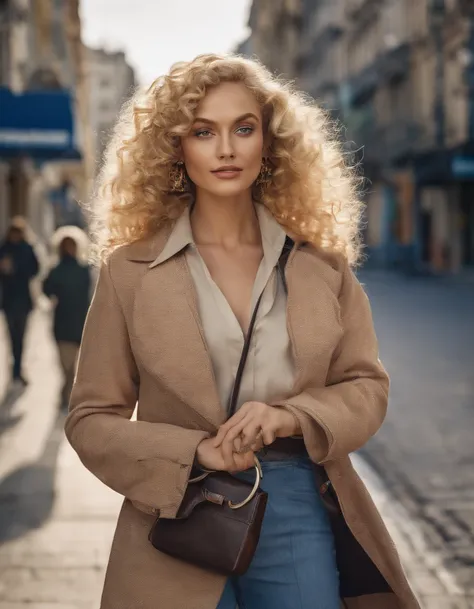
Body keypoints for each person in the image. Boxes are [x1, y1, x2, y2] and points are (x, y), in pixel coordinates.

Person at [65, 54, 420, 609]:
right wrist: (196, 452)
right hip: (173, 512)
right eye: (203, 132)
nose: (226, 149)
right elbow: (90, 420)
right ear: (176, 149)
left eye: (244, 128)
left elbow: (366, 388)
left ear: (269, 142)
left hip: (296, 502)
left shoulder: (319, 264)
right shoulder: (129, 271)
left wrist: (289, 415)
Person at [43, 236, 91, 409]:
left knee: (72, 366)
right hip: (69, 323)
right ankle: (67, 396)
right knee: (68, 366)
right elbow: (47, 290)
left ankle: (67, 396)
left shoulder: (81, 269)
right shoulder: (61, 270)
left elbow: (46, 290)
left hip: (76, 322)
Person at [0, 217, 39, 385]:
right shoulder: (4, 249)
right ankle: (15, 369)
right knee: (12, 336)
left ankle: (17, 368)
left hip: (23, 300)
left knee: (21, 337)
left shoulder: (27, 249)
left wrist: (17, 268)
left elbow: (35, 269)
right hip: (8, 300)